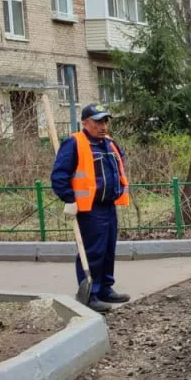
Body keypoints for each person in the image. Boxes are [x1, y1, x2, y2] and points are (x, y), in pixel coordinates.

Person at [51, 104, 131, 313]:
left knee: (107, 250)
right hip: (89, 209)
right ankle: (90, 293)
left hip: (109, 206)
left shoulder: (110, 144)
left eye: (105, 121)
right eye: (97, 121)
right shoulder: (75, 143)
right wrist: (69, 199)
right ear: (85, 123)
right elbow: (59, 175)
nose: (102, 125)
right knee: (92, 251)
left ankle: (105, 288)